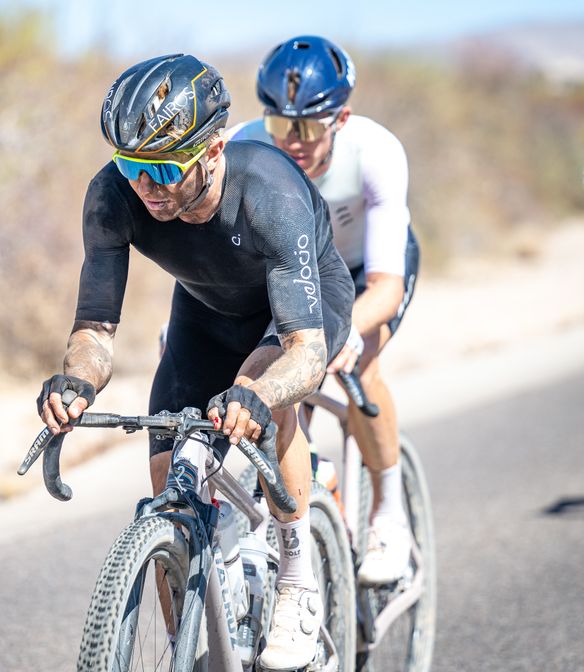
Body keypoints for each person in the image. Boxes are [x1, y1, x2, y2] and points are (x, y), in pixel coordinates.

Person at [37, 53, 355, 670]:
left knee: (260, 395)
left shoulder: (270, 191)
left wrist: (259, 396)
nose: (145, 187)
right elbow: (96, 329)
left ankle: (296, 573)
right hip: (204, 317)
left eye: (163, 167)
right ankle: (192, 643)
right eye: (131, 165)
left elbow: (306, 352)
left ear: (211, 150)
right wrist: (75, 381)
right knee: (167, 471)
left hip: (297, 316)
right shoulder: (113, 194)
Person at [228, 35, 421, 586]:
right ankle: (311, 487)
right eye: (280, 125)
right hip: (297, 273)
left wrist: (347, 332)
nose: (294, 141)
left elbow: (385, 289)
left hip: (366, 273)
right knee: (285, 379)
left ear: (342, 118)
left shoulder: (375, 151)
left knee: (360, 366)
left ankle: (389, 511)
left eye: (310, 127)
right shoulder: (246, 144)